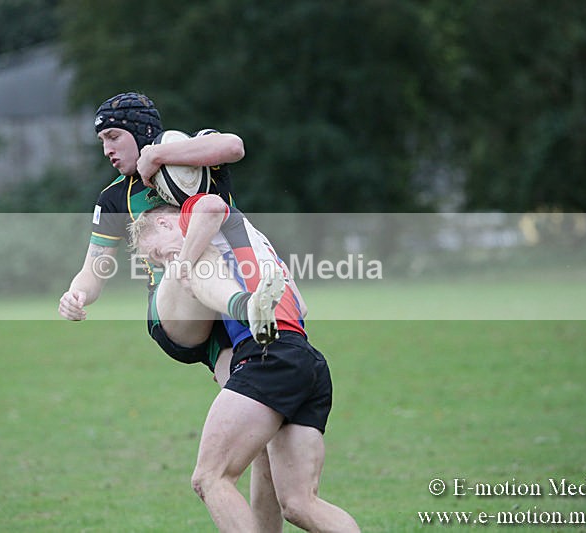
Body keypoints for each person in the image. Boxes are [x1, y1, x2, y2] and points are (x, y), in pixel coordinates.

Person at [57, 92, 284, 531]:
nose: (107, 149)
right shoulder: (114, 199)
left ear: (142, 133)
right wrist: (76, 294)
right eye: (102, 139)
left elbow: (234, 145)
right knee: (191, 258)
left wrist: (159, 154)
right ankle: (247, 303)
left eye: (113, 136)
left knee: (265, 446)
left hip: (227, 329)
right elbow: (93, 272)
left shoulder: (197, 161)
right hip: (176, 314)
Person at [130, 193, 361, 533]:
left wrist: (184, 262)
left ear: (164, 222)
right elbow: (302, 305)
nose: (165, 262)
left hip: (267, 355)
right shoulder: (254, 243)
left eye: (158, 253)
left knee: (210, 478)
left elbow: (209, 206)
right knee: (300, 504)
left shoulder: (193, 216)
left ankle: (244, 307)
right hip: (305, 359)